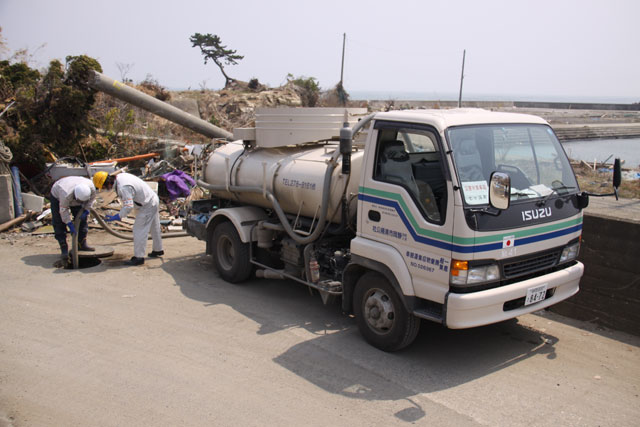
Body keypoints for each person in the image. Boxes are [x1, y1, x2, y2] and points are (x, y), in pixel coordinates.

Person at [93, 171, 163, 266]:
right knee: (154, 227)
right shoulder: (120, 177)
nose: (105, 189)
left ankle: (139, 257)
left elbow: (128, 206)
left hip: (147, 205)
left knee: (139, 230)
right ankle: (158, 249)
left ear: (108, 183)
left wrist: (119, 216)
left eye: (104, 187)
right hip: (151, 199)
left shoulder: (123, 187)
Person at [49, 176, 96, 260]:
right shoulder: (65, 194)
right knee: (58, 221)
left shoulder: (91, 188)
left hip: (75, 192)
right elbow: (63, 211)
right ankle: (64, 248)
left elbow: (91, 201)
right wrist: (69, 223)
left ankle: (82, 244)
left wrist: (86, 210)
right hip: (57, 194)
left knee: (81, 220)